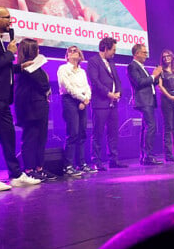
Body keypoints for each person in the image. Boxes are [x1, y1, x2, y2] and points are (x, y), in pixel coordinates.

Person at [0, 6, 41, 191]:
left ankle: (16, 175)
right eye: (7, 17)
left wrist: (19, 67)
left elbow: (3, 68)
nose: (10, 21)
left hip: (2, 97)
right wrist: (10, 53)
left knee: (8, 137)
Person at [14, 38, 57, 181]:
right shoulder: (26, 66)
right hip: (30, 107)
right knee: (31, 138)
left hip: (40, 106)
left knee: (41, 138)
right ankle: (29, 169)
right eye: (36, 48)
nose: (39, 51)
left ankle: (40, 167)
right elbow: (43, 83)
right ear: (30, 51)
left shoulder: (36, 67)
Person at [87, 37, 127, 170]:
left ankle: (113, 160)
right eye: (113, 50)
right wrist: (108, 93)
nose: (114, 53)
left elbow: (117, 80)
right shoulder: (94, 61)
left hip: (113, 104)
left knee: (113, 133)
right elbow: (95, 81)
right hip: (100, 103)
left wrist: (119, 93)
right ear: (105, 48)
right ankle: (97, 162)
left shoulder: (112, 62)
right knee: (98, 133)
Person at [57, 46, 95, 176]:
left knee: (82, 133)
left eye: (76, 51)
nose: (73, 52)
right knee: (73, 133)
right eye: (70, 51)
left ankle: (82, 163)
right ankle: (68, 165)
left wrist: (86, 99)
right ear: (67, 55)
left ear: (80, 55)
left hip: (83, 101)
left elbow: (87, 87)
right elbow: (67, 87)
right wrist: (83, 98)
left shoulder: (82, 72)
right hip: (70, 100)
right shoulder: (63, 69)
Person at [127, 44, 163, 165]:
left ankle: (145, 155)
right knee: (151, 126)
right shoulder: (132, 66)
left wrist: (156, 75)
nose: (146, 55)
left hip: (149, 100)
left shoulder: (142, 67)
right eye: (144, 53)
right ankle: (148, 155)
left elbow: (151, 82)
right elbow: (140, 82)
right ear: (136, 54)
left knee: (146, 127)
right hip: (143, 100)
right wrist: (154, 75)